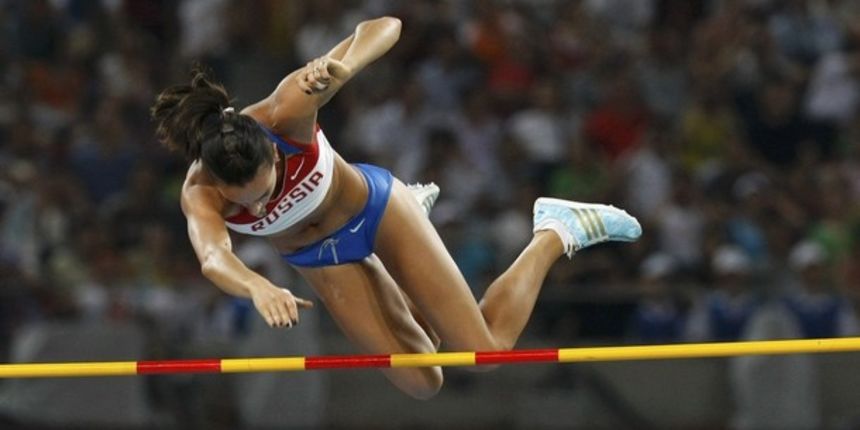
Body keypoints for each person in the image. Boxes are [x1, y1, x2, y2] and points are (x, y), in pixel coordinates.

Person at [151, 16, 641, 399]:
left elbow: (384, 26)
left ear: (274, 151)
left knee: (485, 353)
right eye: (248, 203)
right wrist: (256, 286)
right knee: (422, 380)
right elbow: (214, 257)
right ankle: (413, 253)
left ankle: (554, 230)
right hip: (320, 259)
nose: (261, 205)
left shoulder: (287, 109)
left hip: (377, 212)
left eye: (265, 189)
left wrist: (345, 64)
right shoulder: (201, 192)